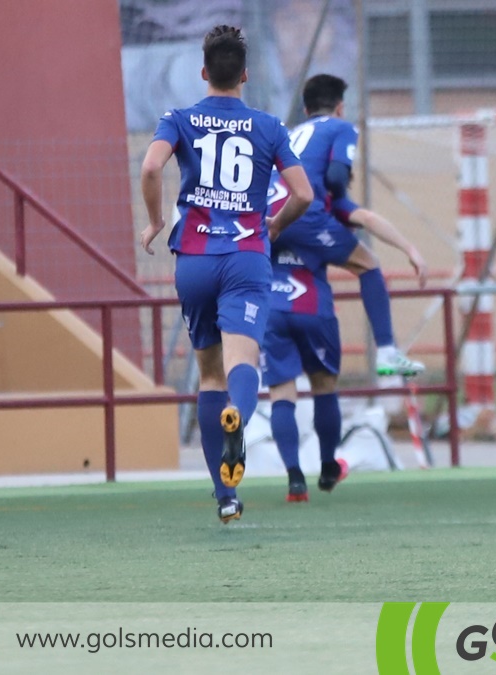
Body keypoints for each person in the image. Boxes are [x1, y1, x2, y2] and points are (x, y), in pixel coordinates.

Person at [139, 25, 313, 523]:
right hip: (245, 258)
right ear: (245, 75)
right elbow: (302, 193)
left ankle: (226, 495)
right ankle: (238, 420)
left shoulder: (179, 118)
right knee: (244, 365)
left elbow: (152, 167)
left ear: (203, 72)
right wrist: (274, 225)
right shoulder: (269, 126)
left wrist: (154, 221)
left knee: (208, 372)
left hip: (193, 260)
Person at [269, 74, 428, 381]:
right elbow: (337, 178)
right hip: (305, 215)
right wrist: (411, 250)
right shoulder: (342, 128)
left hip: (269, 220)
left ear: (305, 110)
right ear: (340, 108)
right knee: (368, 265)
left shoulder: (290, 134)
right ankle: (386, 351)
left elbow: (363, 216)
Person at [262, 243, 348, 502]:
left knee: (281, 392)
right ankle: (327, 467)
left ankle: (295, 477)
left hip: (273, 305)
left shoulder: (260, 207)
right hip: (313, 304)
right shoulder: (317, 207)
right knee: (324, 386)